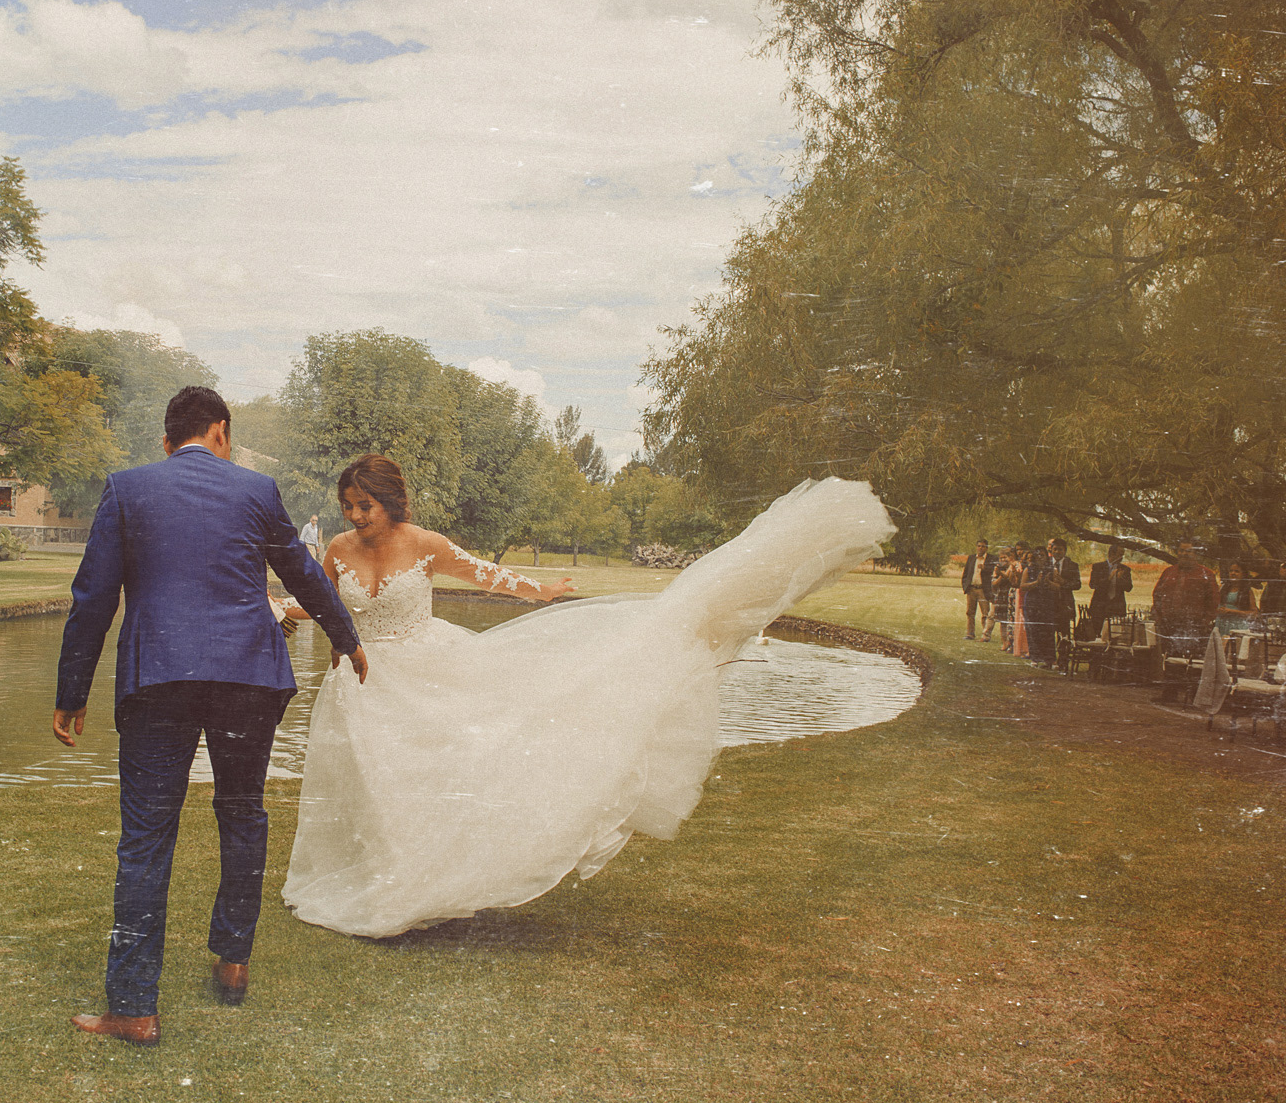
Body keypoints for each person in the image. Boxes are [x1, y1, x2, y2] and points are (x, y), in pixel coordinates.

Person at [282, 457, 894, 939]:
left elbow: (484, 574)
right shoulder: (336, 551)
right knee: (373, 782)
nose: (356, 517)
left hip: (431, 669)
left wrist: (541, 589)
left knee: (448, 767)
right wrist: (285, 611)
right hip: (363, 682)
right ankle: (381, 877)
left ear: (391, 503)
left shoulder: (426, 544)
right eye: (349, 507)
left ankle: (419, 882)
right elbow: (322, 601)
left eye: (365, 506)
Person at [52, 386, 366, 1047]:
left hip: (158, 677)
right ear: (221, 432)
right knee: (242, 812)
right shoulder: (257, 490)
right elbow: (306, 575)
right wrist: (346, 637)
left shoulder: (128, 488)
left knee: (145, 839)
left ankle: (135, 1008)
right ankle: (232, 961)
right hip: (248, 676)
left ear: (167, 443)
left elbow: (93, 597)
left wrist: (71, 693)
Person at [1152, 540, 1219, 659]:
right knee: (1167, 661)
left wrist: (1203, 623)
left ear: (1196, 554)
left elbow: (1213, 602)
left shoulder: (1206, 574)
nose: (1184, 554)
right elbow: (1156, 595)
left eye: (1188, 551)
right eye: (1181, 550)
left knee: (1188, 664)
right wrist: (1159, 617)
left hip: (1193, 628)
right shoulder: (1169, 572)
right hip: (1167, 627)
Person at [1086, 544, 1134, 638]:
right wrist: (1109, 578)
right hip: (1099, 607)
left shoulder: (1125, 569)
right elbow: (1093, 584)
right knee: (1097, 635)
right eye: (1120, 554)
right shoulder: (1098, 567)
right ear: (1112, 553)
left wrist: (1120, 579)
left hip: (1117, 607)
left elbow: (1129, 588)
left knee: (1116, 636)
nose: (1121, 558)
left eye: (1123, 555)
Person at [961, 538, 996, 640]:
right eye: (979, 546)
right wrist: (965, 586)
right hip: (971, 589)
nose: (980, 548)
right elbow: (966, 574)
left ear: (987, 548)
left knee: (985, 613)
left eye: (983, 546)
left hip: (983, 590)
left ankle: (985, 635)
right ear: (976, 547)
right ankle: (970, 634)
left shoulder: (991, 559)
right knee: (970, 612)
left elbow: (995, 570)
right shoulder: (971, 558)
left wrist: (985, 568)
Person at [1213, 561, 1258, 637]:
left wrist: (1233, 611)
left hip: (1238, 627)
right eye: (1231, 571)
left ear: (1243, 574)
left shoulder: (1247, 591)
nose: (1233, 573)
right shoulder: (1223, 588)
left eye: (1237, 571)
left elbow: (1254, 614)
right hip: (1221, 625)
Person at [993, 546, 1020, 652]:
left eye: (1006, 557)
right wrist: (1000, 574)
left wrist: (1001, 574)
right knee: (1002, 620)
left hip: (1011, 595)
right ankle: (1005, 642)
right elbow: (994, 583)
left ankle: (1012, 643)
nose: (1004, 560)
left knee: (1011, 620)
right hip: (1001, 596)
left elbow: (1009, 578)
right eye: (1002, 558)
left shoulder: (1014, 565)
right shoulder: (1000, 568)